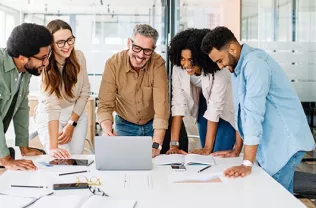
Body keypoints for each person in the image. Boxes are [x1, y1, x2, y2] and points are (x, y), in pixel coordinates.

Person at [201, 26, 316, 193]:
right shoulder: (237, 68)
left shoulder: (255, 63)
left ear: (232, 49)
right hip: (271, 144)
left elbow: (254, 113)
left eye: (220, 60)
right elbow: (242, 112)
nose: (220, 66)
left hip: (285, 143)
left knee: (272, 198)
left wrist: (246, 163)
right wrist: (237, 150)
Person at [97, 24, 169, 158]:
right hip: (124, 126)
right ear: (129, 43)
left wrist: (156, 144)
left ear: (154, 49)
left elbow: (161, 108)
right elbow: (105, 105)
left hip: (152, 126)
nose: (141, 55)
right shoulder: (113, 64)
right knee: (123, 165)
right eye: (137, 48)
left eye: (147, 51)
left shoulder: (158, 64)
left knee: (153, 168)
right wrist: (107, 131)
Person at [167, 28, 238, 155]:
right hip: (203, 103)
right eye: (183, 59)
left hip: (226, 107)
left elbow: (215, 107)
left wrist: (207, 147)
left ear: (201, 58)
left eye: (191, 60)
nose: (186, 64)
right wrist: (174, 145)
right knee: (206, 154)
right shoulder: (178, 68)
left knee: (217, 153)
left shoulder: (220, 69)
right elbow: (178, 103)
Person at [0, 23, 53, 170]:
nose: (46, 62)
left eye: (47, 56)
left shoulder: (24, 70)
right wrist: (5, 159)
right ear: (22, 58)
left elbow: (22, 107)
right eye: (42, 58)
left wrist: (24, 147)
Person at [35, 19, 90, 159]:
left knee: (76, 158)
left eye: (70, 40)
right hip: (50, 115)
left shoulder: (79, 57)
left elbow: (84, 92)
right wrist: (54, 148)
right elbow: (52, 107)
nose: (67, 46)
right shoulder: (45, 64)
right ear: (51, 45)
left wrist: (72, 123)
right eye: (60, 42)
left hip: (75, 113)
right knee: (61, 158)